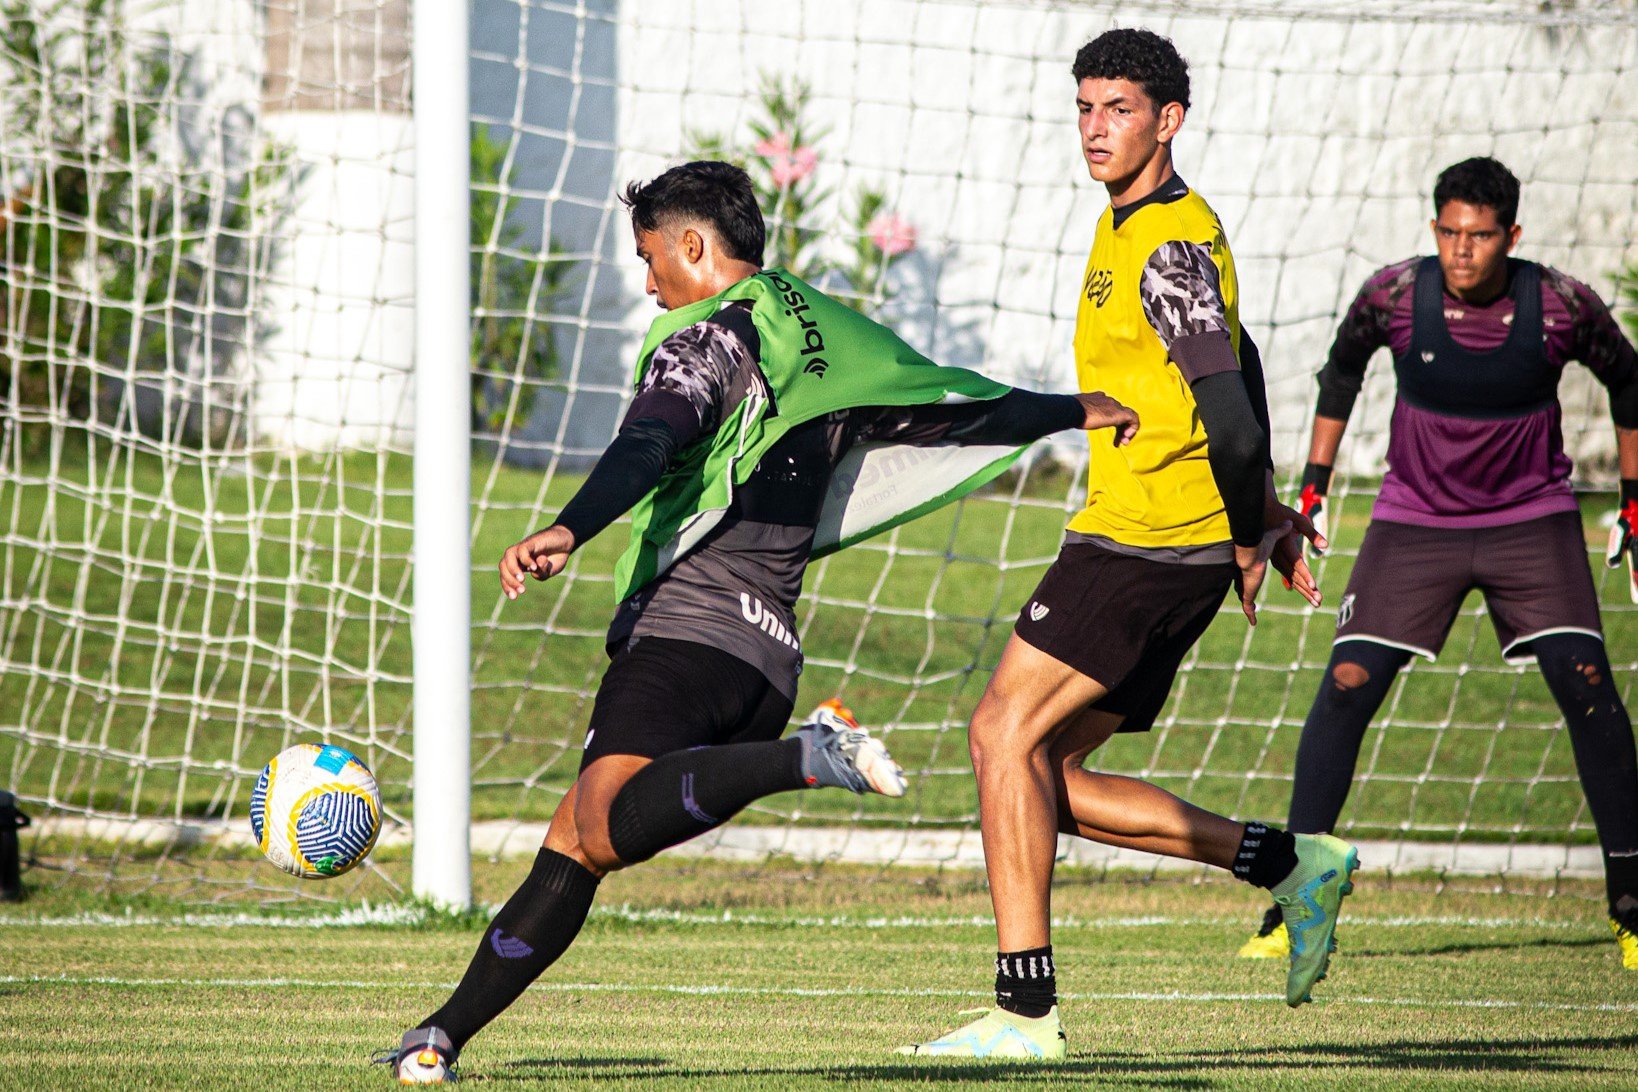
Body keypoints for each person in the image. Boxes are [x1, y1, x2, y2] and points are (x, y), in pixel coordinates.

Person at [378, 159, 1144, 1083]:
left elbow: (650, 438)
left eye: (651, 256)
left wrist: (570, 527)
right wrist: (1069, 410)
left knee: (599, 816)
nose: (649, 281)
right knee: (575, 842)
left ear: (694, 246)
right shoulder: (827, 332)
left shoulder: (711, 337)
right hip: (764, 662)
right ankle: (440, 1037)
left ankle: (809, 758)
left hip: (686, 632)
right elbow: (948, 406)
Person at [904, 29, 1357, 1062]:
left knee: (996, 736)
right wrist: (1266, 517)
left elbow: (1232, 417)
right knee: (1042, 776)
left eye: (1117, 109)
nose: (1095, 129)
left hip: (1147, 540)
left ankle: (1025, 1014)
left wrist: (1253, 531)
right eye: (1084, 108)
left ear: (1169, 119)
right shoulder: (1139, 227)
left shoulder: (1167, 245)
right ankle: (1290, 865)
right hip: (1160, 539)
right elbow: (1237, 360)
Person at [1236, 156, 1638, 971]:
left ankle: (1633, 905)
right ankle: (1297, 895)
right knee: (1347, 683)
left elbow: (1629, 383)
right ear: (1435, 230)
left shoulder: (1560, 303)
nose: (1463, 250)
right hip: (1414, 519)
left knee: (1588, 683)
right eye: (1450, 233)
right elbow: (1340, 371)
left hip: (1533, 519)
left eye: (1481, 235)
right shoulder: (1393, 295)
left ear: (1511, 237)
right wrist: (1312, 489)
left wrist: (1633, 499)